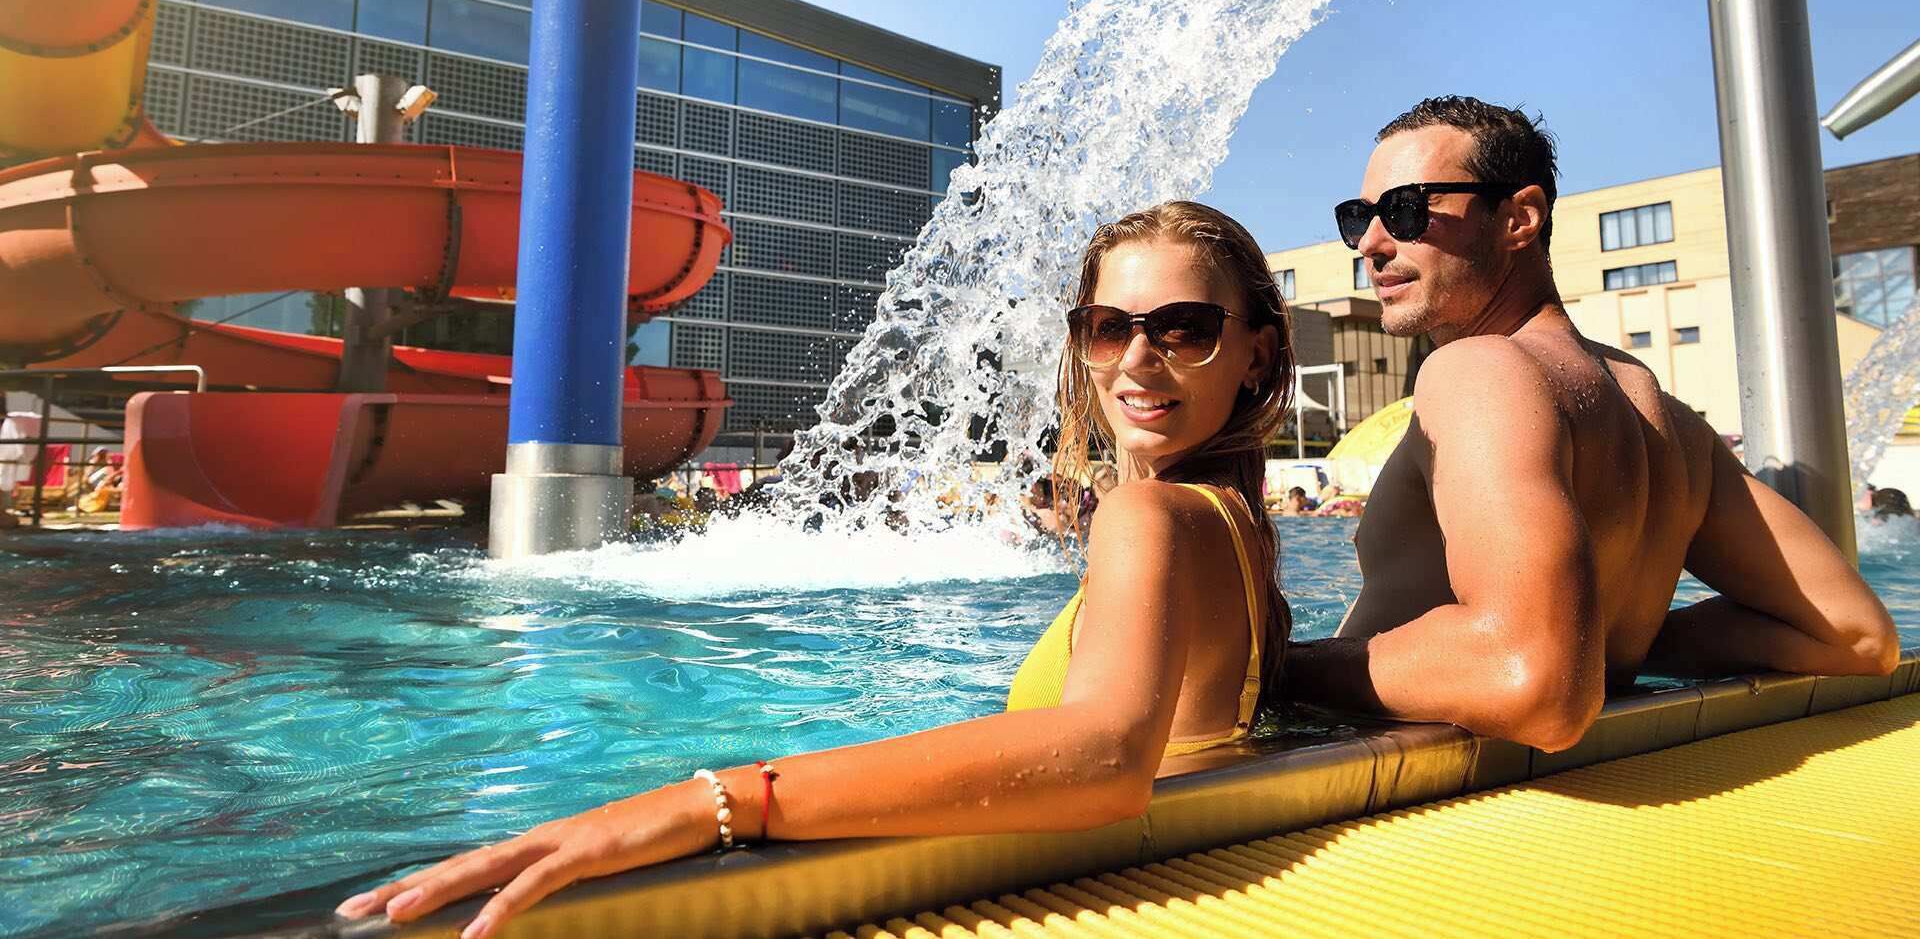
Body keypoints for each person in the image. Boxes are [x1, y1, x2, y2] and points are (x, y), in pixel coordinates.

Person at [335, 201, 1297, 936]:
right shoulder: (1235, 524)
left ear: (1254, 355)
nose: (1138, 359)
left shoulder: (1149, 515)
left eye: (1184, 328)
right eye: (1108, 327)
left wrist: (719, 801)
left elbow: (1103, 759)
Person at [1286, 96, 1899, 750]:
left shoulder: (1478, 370)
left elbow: (1534, 685)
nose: (1371, 244)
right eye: (1359, 218)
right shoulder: (1671, 422)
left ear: (1520, 218)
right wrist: (1623, 644)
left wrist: (1275, 671)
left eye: (1407, 209)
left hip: (1420, 785)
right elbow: (1856, 635)